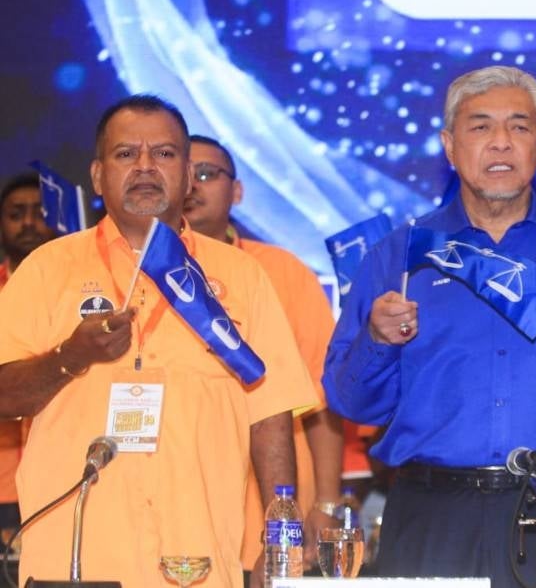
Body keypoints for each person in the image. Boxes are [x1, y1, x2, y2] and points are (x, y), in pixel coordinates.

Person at [324, 66, 536, 588]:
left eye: (519, 127)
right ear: (449, 146)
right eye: (480, 127)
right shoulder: (400, 255)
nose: (501, 142)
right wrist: (376, 342)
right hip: (432, 516)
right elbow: (350, 403)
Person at [0, 95, 316, 587]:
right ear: (99, 176)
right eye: (126, 154)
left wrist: (282, 546)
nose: (145, 166)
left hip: (196, 559)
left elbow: (271, 417)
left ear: (189, 176)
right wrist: (70, 357)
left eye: (164, 154)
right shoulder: (47, 269)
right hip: (76, 556)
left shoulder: (242, 276)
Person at [183, 134, 343, 576]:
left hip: (277, 498)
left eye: (206, 174)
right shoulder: (138, 272)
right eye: (183, 174)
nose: (192, 186)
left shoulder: (282, 271)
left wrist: (326, 503)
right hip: (181, 495)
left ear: (237, 192)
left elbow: (322, 398)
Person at [0, 173, 55, 550]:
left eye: (40, 212)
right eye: (17, 213)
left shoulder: (81, 292)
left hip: (58, 479)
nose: (29, 223)